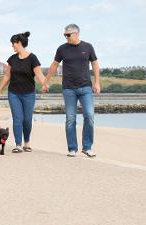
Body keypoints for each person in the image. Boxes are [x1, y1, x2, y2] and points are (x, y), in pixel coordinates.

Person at [43, 24, 100, 158]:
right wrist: (46, 81)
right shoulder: (62, 49)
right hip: (68, 88)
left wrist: (97, 82)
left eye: (68, 35)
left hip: (86, 87)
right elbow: (54, 65)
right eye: (65, 35)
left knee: (89, 116)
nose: (66, 37)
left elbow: (95, 64)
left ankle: (87, 147)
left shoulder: (88, 47)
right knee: (70, 119)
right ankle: (72, 148)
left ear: (76, 34)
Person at [0, 31, 46, 153]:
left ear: (19, 43)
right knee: (17, 118)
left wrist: (45, 84)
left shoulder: (32, 58)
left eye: (13, 44)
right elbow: (7, 76)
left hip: (29, 93)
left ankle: (27, 142)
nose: (12, 46)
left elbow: (39, 74)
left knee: (27, 120)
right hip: (14, 93)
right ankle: (18, 145)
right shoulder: (12, 59)